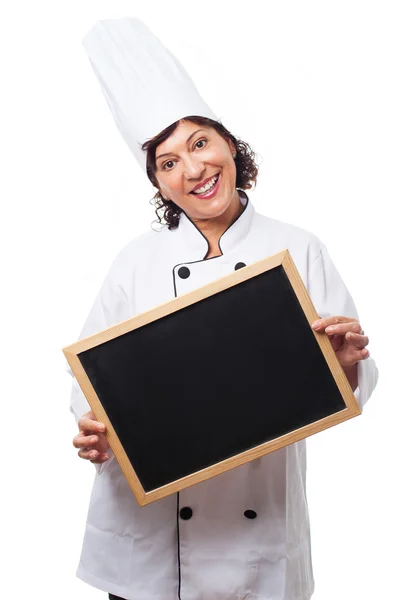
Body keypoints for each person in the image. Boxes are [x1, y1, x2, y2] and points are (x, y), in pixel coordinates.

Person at [67, 17, 378, 600]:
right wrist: (93, 428)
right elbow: (90, 378)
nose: (193, 170)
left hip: (254, 552)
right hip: (144, 551)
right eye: (167, 162)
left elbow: (350, 383)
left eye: (200, 143)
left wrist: (345, 362)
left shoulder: (298, 248)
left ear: (229, 144)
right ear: (158, 184)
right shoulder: (134, 262)